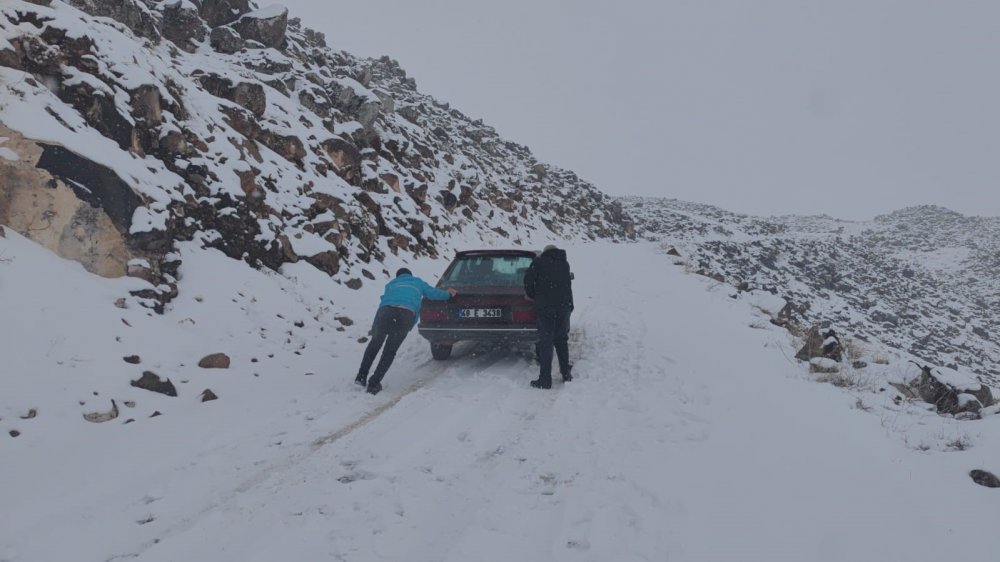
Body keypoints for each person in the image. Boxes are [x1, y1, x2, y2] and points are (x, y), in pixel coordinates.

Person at [355, 268, 456, 395]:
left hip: (385, 313)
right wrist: (448, 294)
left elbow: (383, 303)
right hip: (405, 314)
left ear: (398, 276)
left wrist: (375, 327)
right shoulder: (417, 282)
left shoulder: (391, 284)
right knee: (389, 351)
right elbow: (432, 293)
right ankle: (374, 384)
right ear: (410, 275)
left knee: (374, 344)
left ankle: (361, 377)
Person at [523, 245, 574, 389]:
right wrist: (569, 306)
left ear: (545, 252)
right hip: (563, 307)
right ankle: (566, 374)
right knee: (561, 340)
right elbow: (567, 285)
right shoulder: (564, 263)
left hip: (546, 308)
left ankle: (545, 380)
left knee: (546, 343)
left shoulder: (538, 262)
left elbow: (528, 281)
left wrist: (534, 296)